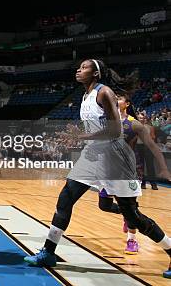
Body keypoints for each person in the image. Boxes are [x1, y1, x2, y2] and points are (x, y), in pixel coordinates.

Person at [24, 59, 171, 279]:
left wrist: (81, 136)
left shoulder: (105, 93)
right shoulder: (85, 96)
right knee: (65, 199)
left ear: (96, 74)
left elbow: (114, 131)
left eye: (84, 68)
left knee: (133, 217)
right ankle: (49, 251)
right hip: (92, 156)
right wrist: (77, 138)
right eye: (79, 67)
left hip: (116, 158)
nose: (78, 70)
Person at [97, 93, 171, 254]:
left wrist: (163, 167)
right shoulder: (107, 121)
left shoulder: (134, 124)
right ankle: (126, 214)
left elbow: (152, 146)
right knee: (104, 206)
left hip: (126, 173)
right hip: (108, 171)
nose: (115, 99)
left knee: (133, 215)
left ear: (127, 103)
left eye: (120, 98)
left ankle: (132, 240)